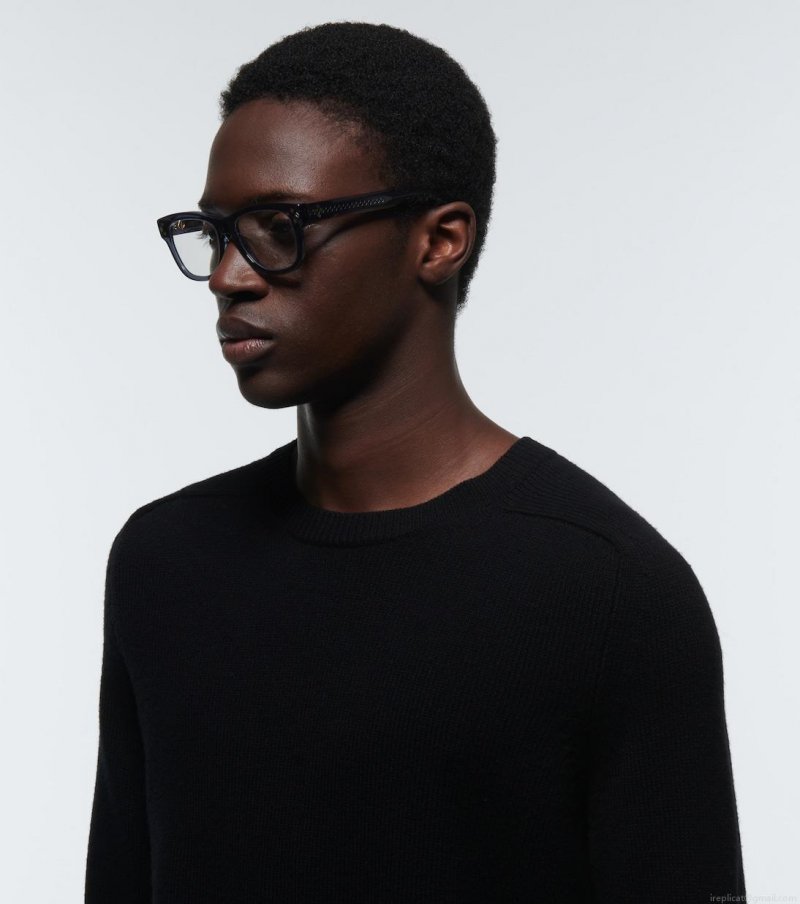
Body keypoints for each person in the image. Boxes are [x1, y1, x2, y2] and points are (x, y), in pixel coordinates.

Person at [85, 21, 746, 903]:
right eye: (215, 232)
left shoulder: (607, 593)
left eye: (278, 226)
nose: (227, 277)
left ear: (439, 241)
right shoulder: (165, 562)